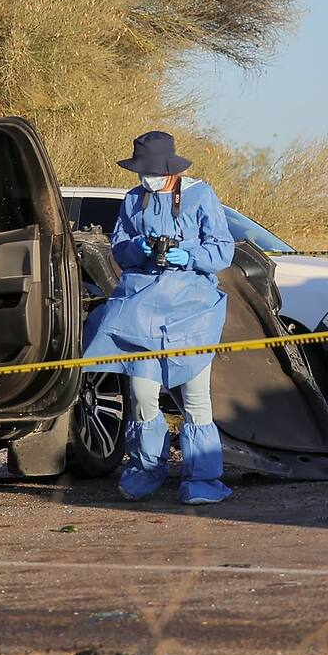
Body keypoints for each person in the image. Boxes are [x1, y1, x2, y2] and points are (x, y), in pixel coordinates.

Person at [82, 131, 235, 505]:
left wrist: (189, 255)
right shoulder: (133, 199)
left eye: (150, 171)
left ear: (170, 168)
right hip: (141, 312)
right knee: (142, 395)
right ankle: (146, 470)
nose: (145, 178)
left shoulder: (201, 195)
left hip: (192, 311)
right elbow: (119, 247)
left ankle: (202, 480)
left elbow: (222, 250)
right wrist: (140, 247)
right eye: (140, 172)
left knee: (196, 399)